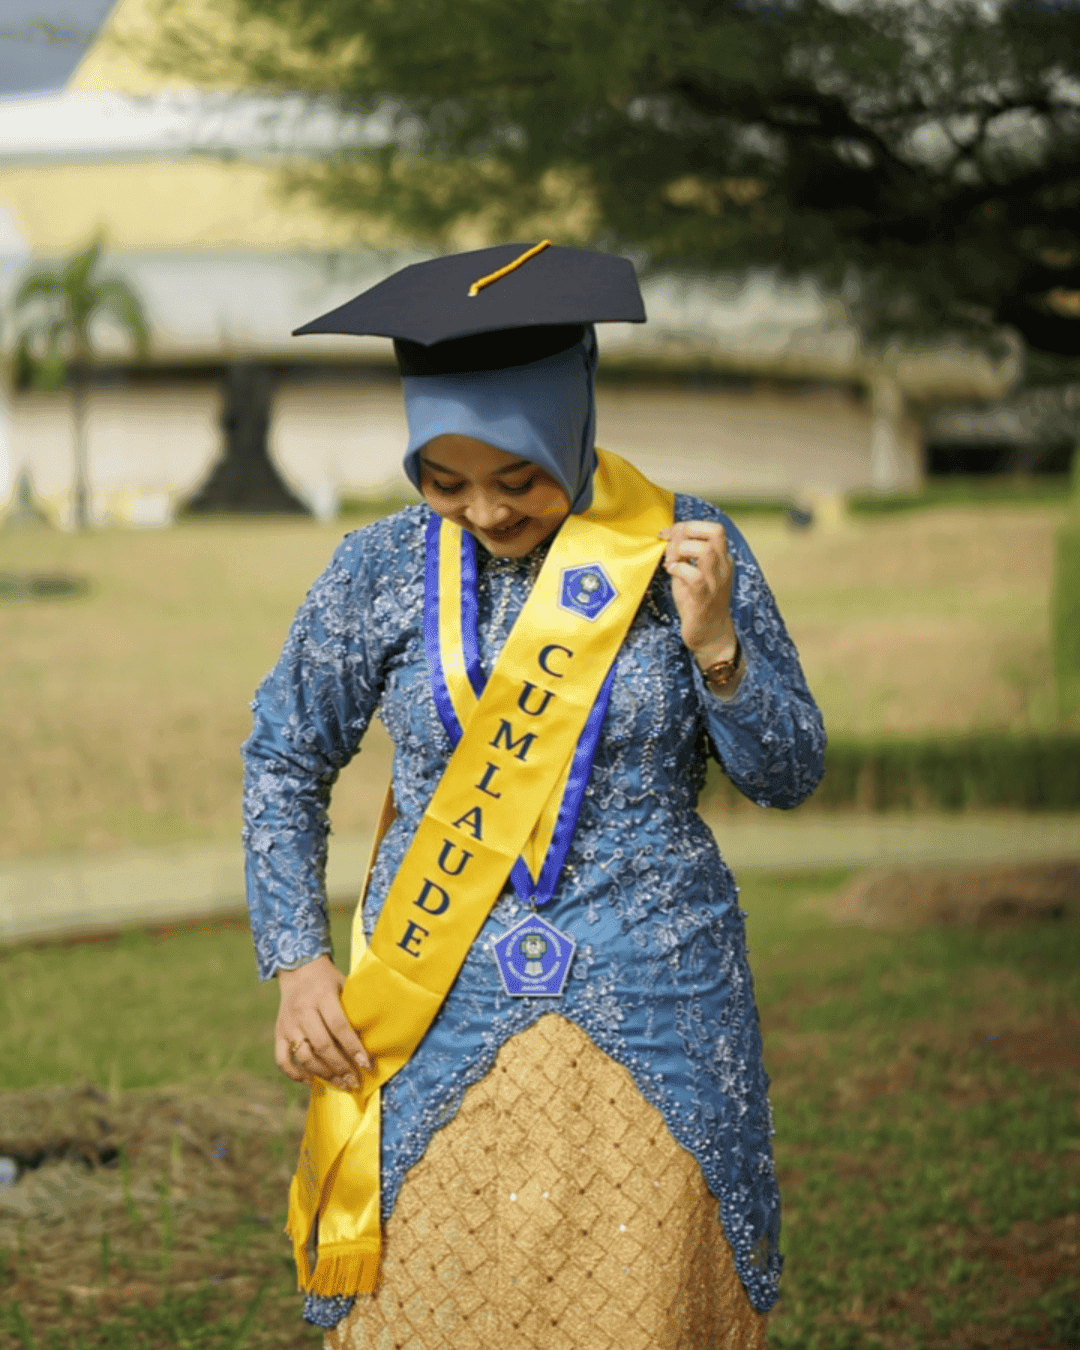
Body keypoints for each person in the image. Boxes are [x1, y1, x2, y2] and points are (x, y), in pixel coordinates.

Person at [242, 241, 826, 1349]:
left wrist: (720, 652)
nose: (486, 511)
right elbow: (281, 758)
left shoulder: (680, 547)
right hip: (433, 1004)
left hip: (660, 1005)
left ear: (576, 425)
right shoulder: (374, 570)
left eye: (519, 478)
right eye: (444, 480)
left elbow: (790, 773)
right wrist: (296, 959)